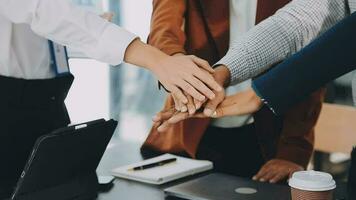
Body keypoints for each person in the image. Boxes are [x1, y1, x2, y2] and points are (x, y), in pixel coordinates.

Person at [0, 0, 223, 197]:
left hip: (49, 101)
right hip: (9, 109)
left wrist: (89, 24)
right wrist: (158, 61)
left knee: (72, 188)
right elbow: (44, 11)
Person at [144, 0, 327, 183]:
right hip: (190, 127)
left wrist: (293, 151)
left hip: (269, 135)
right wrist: (176, 68)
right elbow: (163, 30)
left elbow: (311, 54)